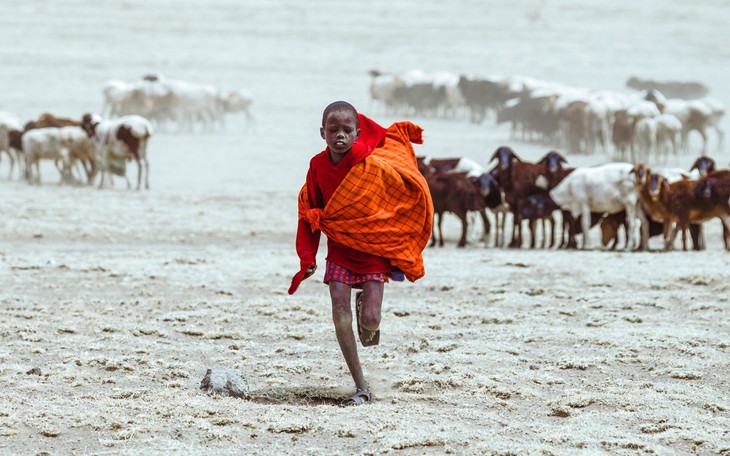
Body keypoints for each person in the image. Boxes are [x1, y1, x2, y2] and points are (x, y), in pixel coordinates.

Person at [290, 101, 433, 406]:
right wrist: (308, 257)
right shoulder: (317, 166)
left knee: (369, 321)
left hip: (373, 250)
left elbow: (396, 200)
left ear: (357, 134)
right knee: (339, 318)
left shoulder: (373, 165)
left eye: (346, 130)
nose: (339, 135)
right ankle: (361, 386)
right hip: (339, 251)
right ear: (322, 133)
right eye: (333, 130)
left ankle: (364, 309)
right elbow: (309, 209)